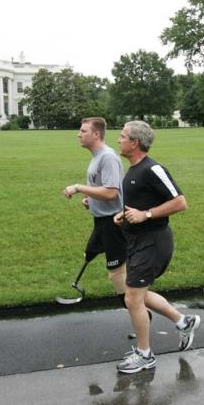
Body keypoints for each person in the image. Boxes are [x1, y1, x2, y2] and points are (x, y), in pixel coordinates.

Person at [113, 120, 200, 374]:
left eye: (122, 136)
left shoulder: (154, 169)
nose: (118, 140)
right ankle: (183, 322)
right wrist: (124, 215)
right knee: (137, 294)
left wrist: (146, 215)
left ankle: (145, 355)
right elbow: (140, 204)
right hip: (138, 241)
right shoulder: (133, 171)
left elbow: (181, 202)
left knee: (132, 298)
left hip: (153, 242)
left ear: (134, 142)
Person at [63, 117, 127, 302]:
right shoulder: (98, 157)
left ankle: (175, 318)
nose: (79, 134)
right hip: (101, 221)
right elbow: (103, 191)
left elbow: (110, 193)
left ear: (96, 134)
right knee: (91, 253)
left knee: (120, 281)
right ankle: (142, 320)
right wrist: (91, 200)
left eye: (83, 131)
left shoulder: (107, 157)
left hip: (113, 223)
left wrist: (79, 187)